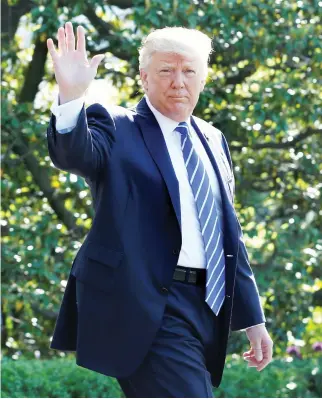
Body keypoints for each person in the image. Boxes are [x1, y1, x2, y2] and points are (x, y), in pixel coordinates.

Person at [46, 21, 273, 398]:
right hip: (145, 300)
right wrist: (71, 98)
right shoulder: (116, 125)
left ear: (203, 79)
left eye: (189, 71)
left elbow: (226, 234)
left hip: (205, 307)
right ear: (144, 77)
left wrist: (253, 319)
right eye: (166, 71)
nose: (178, 82)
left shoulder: (213, 140)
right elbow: (75, 154)